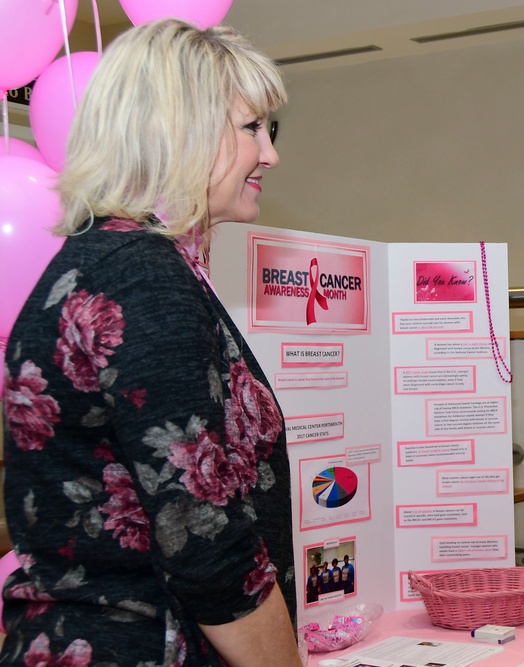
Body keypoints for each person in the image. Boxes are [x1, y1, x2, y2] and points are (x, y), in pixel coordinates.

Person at [1, 19, 300, 666]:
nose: (270, 154)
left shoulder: (105, 260)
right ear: (180, 131)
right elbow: (207, 542)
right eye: (252, 129)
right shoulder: (143, 279)